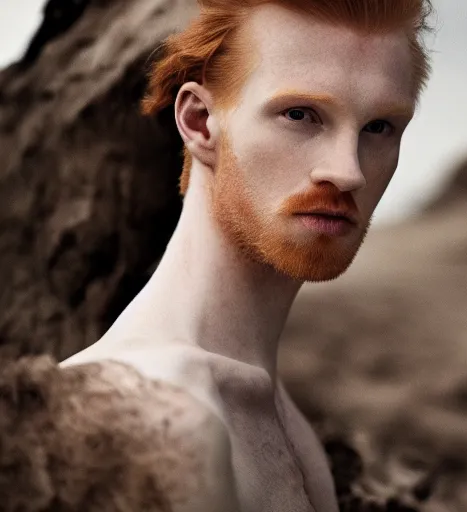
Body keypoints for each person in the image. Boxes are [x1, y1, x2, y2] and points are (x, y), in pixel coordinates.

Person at [63, 0, 434, 510]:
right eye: (300, 115)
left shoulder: (275, 411)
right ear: (199, 122)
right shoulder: (153, 411)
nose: (348, 171)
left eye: (378, 128)